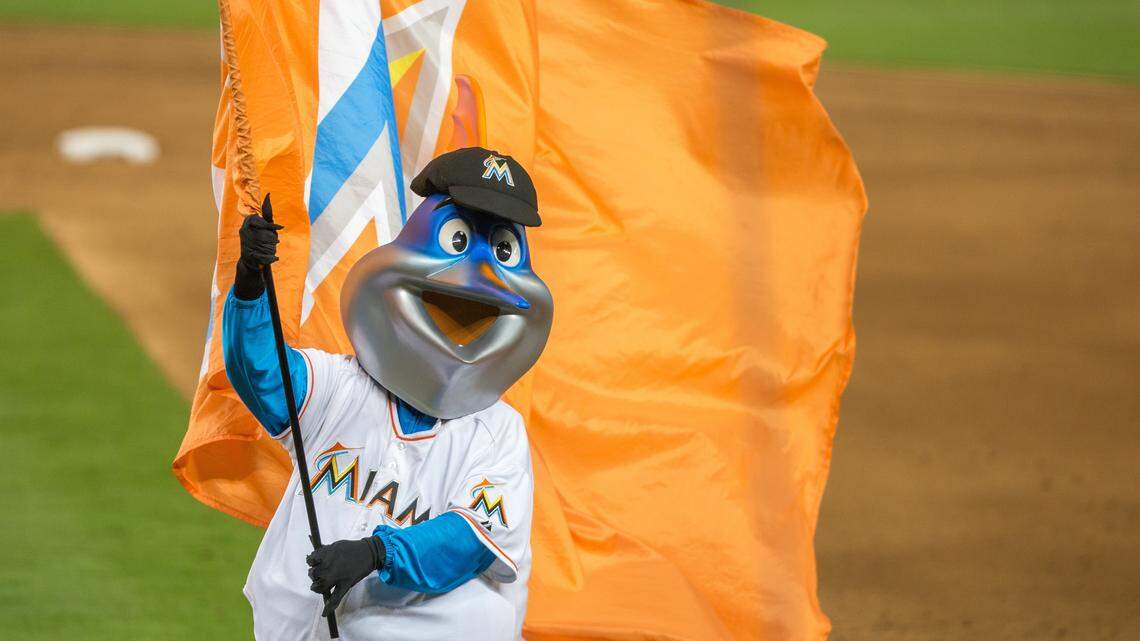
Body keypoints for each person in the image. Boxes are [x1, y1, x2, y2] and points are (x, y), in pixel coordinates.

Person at [223, 147, 553, 641]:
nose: (479, 274)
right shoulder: (338, 388)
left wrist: (377, 553)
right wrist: (251, 282)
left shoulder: (497, 432)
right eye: (459, 238)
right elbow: (262, 373)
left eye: (502, 250)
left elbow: (470, 539)